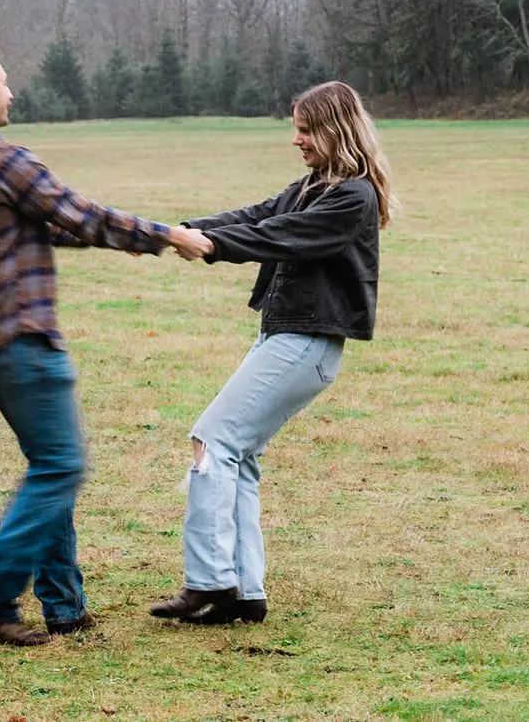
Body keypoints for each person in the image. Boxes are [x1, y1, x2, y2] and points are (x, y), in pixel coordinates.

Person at [0, 49, 212, 648]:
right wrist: (165, 235)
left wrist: (122, 240)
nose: (12, 92)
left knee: (48, 466)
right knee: (61, 466)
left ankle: (64, 607)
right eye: (4, 82)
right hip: (19, 334)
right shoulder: (2, 159)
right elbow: (78, 213)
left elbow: (40, 225)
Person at [150, 81, 398, 626]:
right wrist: (186, 230)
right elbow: (258, 214)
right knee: (236, 453)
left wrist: (211, 246)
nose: (297, 140)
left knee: (212, 441)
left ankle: (209, 582)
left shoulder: (351, 197)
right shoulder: (314, 185)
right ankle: (244, 592)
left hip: (306, 342)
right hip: (286, 337)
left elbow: (279, 235)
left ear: (335, 129)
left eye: (306, 130)